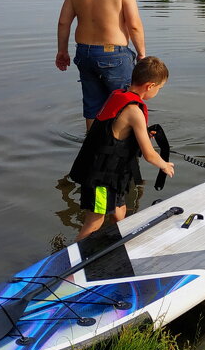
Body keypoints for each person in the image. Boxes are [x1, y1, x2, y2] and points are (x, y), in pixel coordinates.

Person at [69, 56, 174, 240]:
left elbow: (114, 132)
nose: (158, 91)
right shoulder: (134, 111)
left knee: (119, 213)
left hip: (111, 176)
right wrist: (164, 165)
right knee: (94, 221)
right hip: (101, 177)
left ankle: (113, 245)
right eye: (159, 88)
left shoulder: (117, 96)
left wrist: (140, 135)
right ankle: (69, 263)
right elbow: (149, 155)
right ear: (150, 86)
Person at [56, 0, 147, 130]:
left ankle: (91, 146)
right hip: (114, 55)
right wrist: (141, 54)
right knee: (125, 105)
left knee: (92, 106)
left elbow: (63, 22)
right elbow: (134, 25)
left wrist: (62, 51)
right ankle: (120, 148)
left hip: (84, 53)